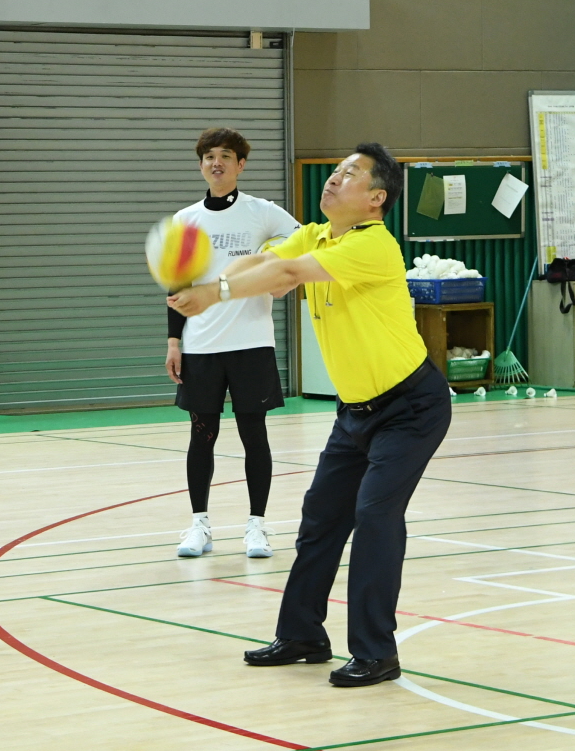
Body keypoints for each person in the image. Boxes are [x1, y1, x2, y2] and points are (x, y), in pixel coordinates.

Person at [169, 143, 450, 686]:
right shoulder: (319, 233)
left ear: (375, 198)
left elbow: (287, 274)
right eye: (335, 170)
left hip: (409, 407)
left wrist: (215, 293)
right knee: (320, 517)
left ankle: (376, 652)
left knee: (373, 517)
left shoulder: (372, 246)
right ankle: (302, 634)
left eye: (348, 174)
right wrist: (215, 283)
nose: (333, 179)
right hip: (354, 411)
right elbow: (267, 261)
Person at [165, 129, 300, 560]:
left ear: (241, 164)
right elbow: (176, 284)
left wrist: (281, 272)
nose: (216, 163)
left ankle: (257, 527)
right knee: (201, 436)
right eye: (208, 156)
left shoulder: (264, 213)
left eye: (225, 156)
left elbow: (301, 246)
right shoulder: (185, 220)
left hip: (251, 345)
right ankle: (199, 525)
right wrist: (174, 341)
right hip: (200, 346)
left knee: (253, 435)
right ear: (201, 164)